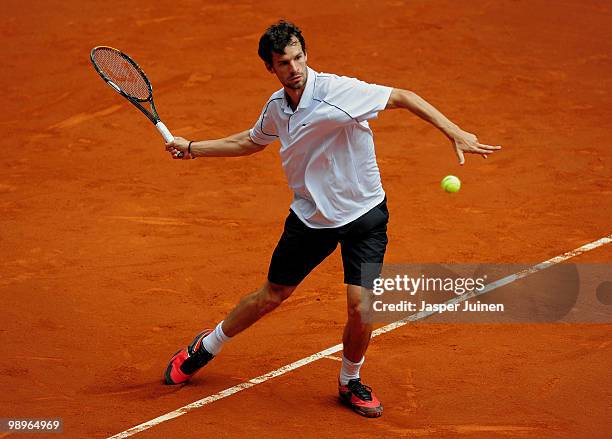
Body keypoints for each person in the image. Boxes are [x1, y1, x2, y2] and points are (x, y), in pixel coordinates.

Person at [163, 20, 500, 418]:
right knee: (272, 295)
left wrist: (454, 131)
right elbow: (250, 141)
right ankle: (208, 345)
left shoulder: (338, 91)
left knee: (362, 307)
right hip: (311, 218)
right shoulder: (276, 109)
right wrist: (192, 147)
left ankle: (350, 379)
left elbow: (402, 96)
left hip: (364, 216)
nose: (295, 67)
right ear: (271, 68)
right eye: (284, 62)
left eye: (299, 57)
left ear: (306, 54)